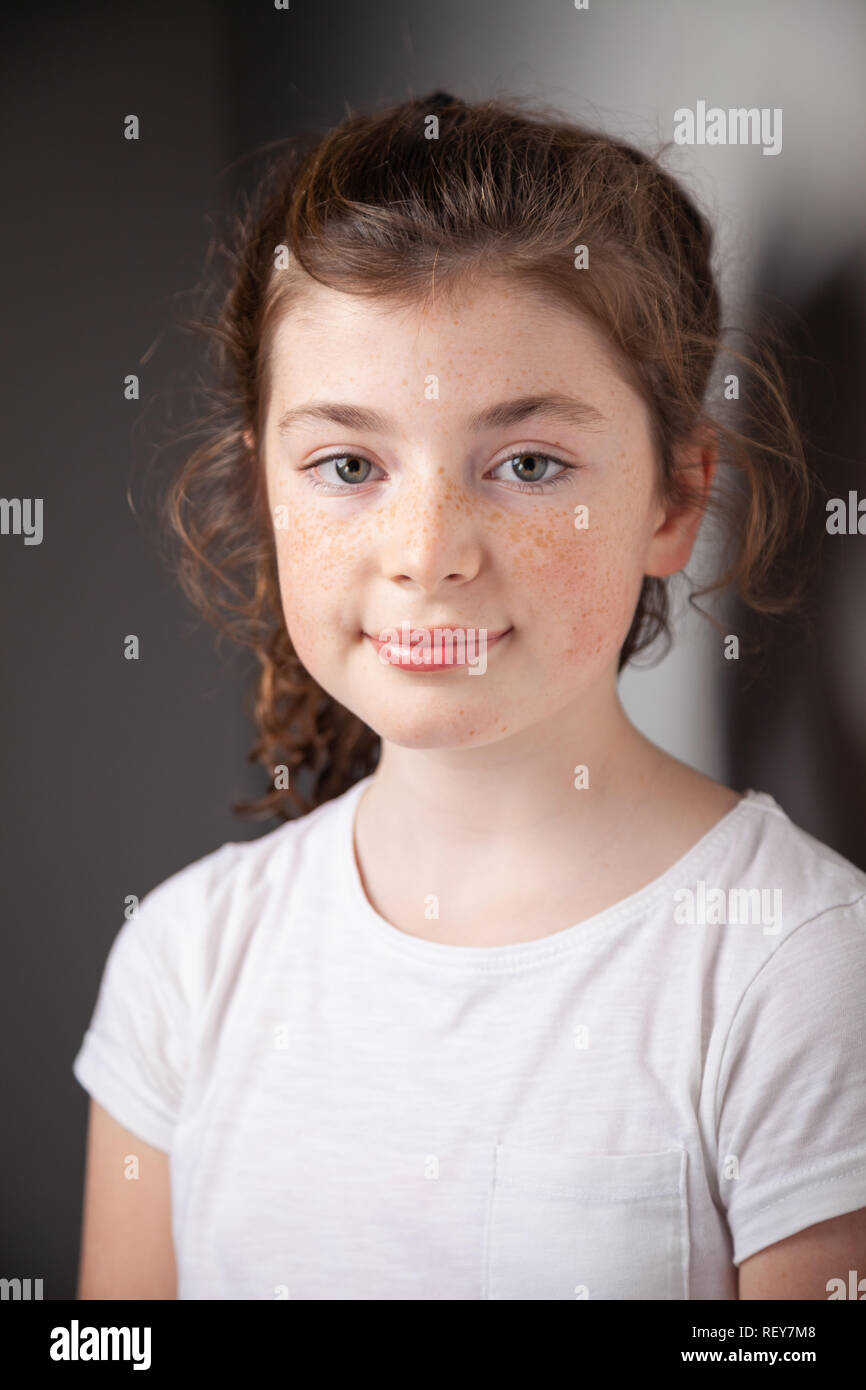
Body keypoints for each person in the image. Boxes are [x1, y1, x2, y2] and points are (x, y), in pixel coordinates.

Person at [73, 91, 866, 1300]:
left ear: (671, 499)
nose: (428, 549)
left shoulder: (798, 968)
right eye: (348, 465)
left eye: (528, 464)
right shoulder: (184, 959)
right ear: (265, 488)